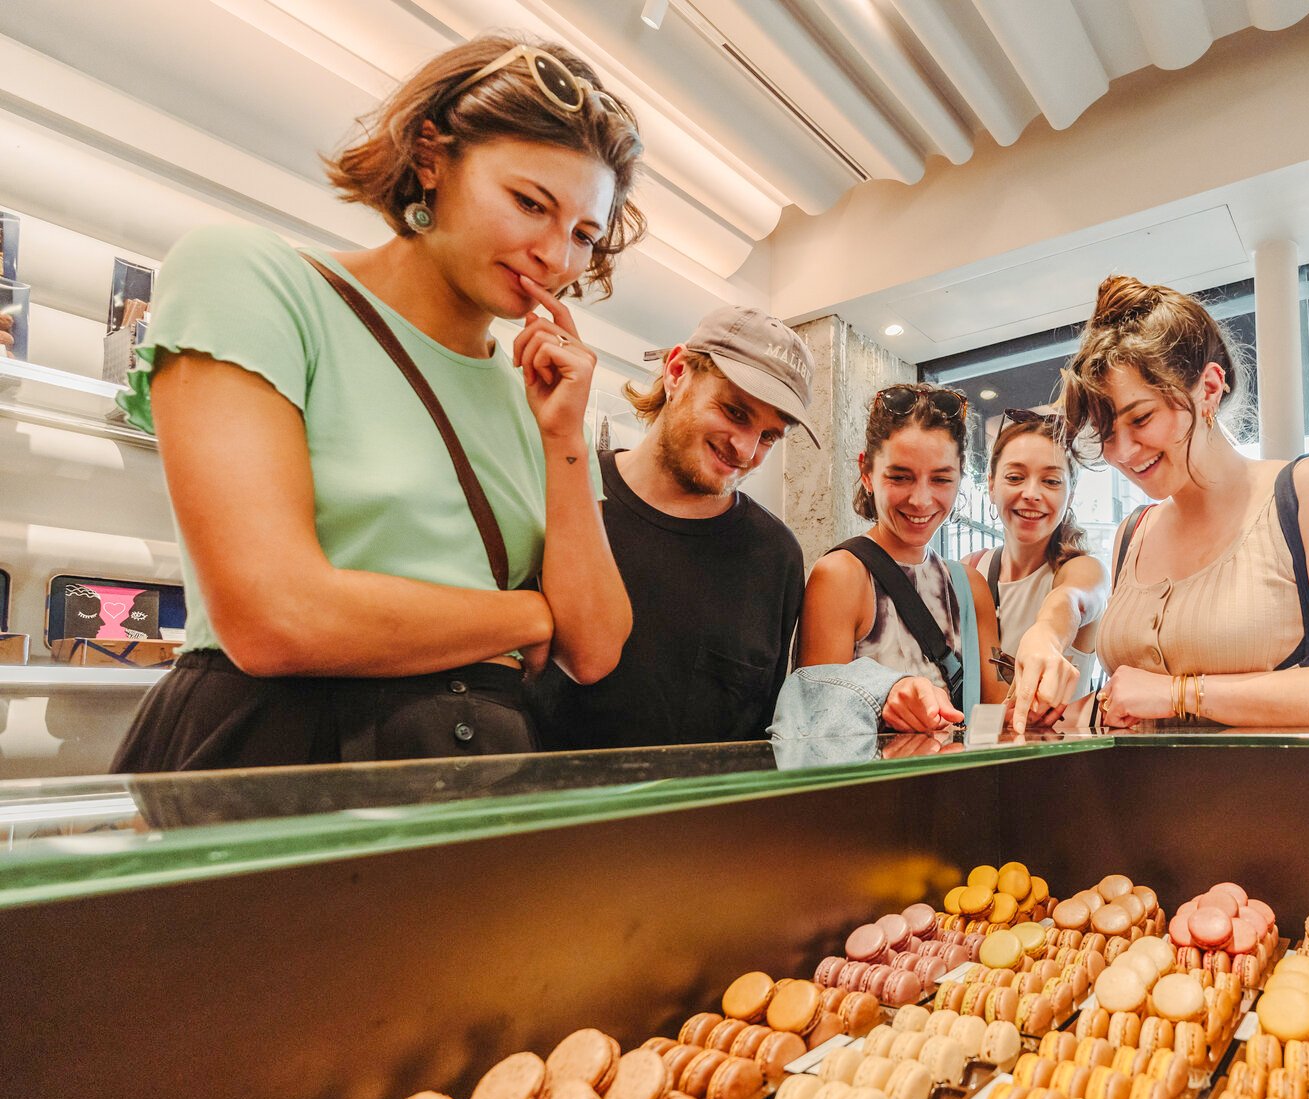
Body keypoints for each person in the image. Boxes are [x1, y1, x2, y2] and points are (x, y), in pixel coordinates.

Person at [110, 36, 643, 770]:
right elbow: (275, 618)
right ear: (431, 158)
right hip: (278, 751)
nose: (555, 255)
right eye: (529, 203)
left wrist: (563, 439)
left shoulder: (541, 395)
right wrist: (523, 613)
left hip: (470, 768)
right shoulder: (254, 280)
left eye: (585, 235)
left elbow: (596, 646)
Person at [1058, 276, 1309, 729]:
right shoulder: (1134, 534)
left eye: (1142, 418)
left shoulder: (1307, 492)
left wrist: (1182, 694)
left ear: (1208, 388)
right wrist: (1080, 710)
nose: (1124, 452)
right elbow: (1137, 703)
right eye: (1107, 434)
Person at [532, 306, 810, 749]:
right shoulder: (564, 491)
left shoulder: (775, 555)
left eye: (769, 436)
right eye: (735, 412)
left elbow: (762, 732)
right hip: (543, 810)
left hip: (701, 818)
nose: (745, 449)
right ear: (678, 372)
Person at [794, 383, 1008, 732]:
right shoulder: (842, 576)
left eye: (940, 479)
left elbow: (996, 719)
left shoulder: (970, 587)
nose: (921, 500)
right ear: (867, 473)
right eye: (900, 477)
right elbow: (815, 723)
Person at [964, 409, 1108, 733]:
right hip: (981, 765)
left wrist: (1045, 634)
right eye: (1015, 477)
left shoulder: (1084, 570)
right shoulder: (970, 570)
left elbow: (1071, 600)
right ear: (990, 484)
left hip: (1061, 766)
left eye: (1051, 481)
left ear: (1069, 493)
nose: (1031, 493)